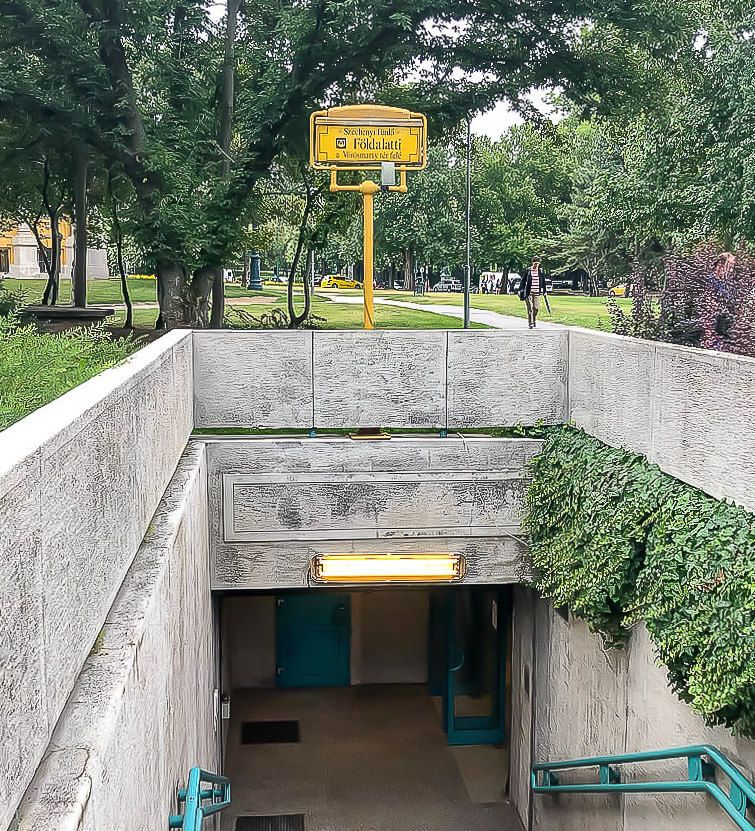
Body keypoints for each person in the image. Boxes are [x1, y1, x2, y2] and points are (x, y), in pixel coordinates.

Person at [519, 256, 547, 328]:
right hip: (529, 293)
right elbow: (523, 280)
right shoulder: (528, 271)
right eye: (535, 263)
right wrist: (521, 289)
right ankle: (530, 323)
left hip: (537, 292)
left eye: (537, 264)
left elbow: (543, 282)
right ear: (532, 263)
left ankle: (533, 319)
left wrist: (544, 291)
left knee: (536, 308)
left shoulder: (540, 271)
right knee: (530, 308)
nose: (536, 265)